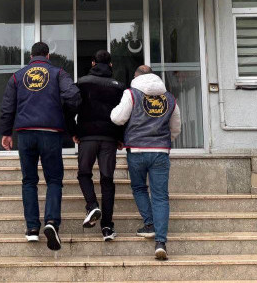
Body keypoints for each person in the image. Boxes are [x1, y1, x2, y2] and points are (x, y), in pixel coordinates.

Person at [0, 42, 81, 251]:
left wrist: (6, 133)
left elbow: (7, 106)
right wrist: (64, 112)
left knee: (29, 181)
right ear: (48, 55)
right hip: (51, 133)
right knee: (54, 180)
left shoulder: (17, 77)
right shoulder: (58, 73)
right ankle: (51, 222)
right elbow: (73, 95)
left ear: (30, 56)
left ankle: (32, 229)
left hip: (25, 133)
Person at [110, 65, 181, 260]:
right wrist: (165, 141)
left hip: (137, 150)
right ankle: (160, 242)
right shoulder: (169, 98)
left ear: (136, 76)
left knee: (139, 188)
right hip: (160, 152)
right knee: (160, 196)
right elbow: (176, 127)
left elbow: (117, 118)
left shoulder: (131, 93)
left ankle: (149, 223)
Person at [72, 50, 125, 241]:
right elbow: (124, 114)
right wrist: (121, 137)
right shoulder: (119, 86)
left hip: (87, 137)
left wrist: (74, 131)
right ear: (110, 65)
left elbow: (70, 107)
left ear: (93, 63)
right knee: (107, 180)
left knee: (84, 174)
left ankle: (92, 205)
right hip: (109, 138)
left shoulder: (81, 83)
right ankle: (107, 228)